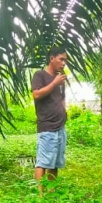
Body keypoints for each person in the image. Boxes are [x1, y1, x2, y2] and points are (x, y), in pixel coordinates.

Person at [31, 46, 69, 193]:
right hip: (47, 126)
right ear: (52, 58)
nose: (64, 63)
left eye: (65, 60)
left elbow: (62, 98)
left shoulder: (61, 78)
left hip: (60, 126)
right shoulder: (40, 75)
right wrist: (54, 83)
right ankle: (40, 195)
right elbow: (36, 95)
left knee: (55, 163)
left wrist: (64, 112)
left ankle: (51, 192)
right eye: (61, 59)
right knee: (43, 162)